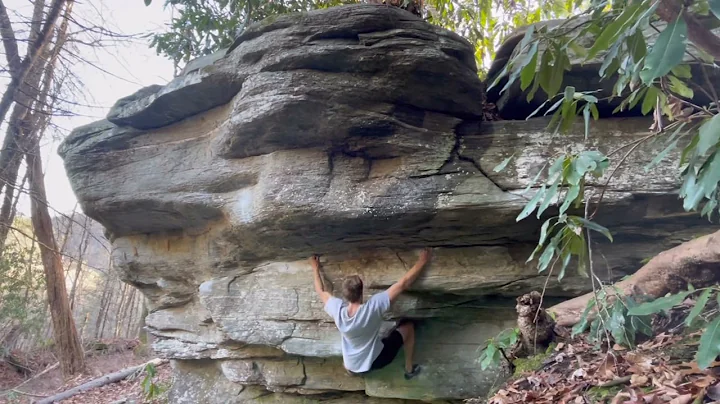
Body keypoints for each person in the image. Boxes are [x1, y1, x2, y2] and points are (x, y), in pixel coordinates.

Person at [309, 248, 432, 380]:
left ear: (345, 295)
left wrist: (315, 268)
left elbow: (320, 290)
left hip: (351, 364)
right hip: (376, 360)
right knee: (408, 327)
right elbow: (403, 284)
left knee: (353, 357)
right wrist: (422, 261)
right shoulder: (373, 307)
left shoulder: (337, 310)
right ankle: (409, 369)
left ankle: (354, 371)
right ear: (361, 291)